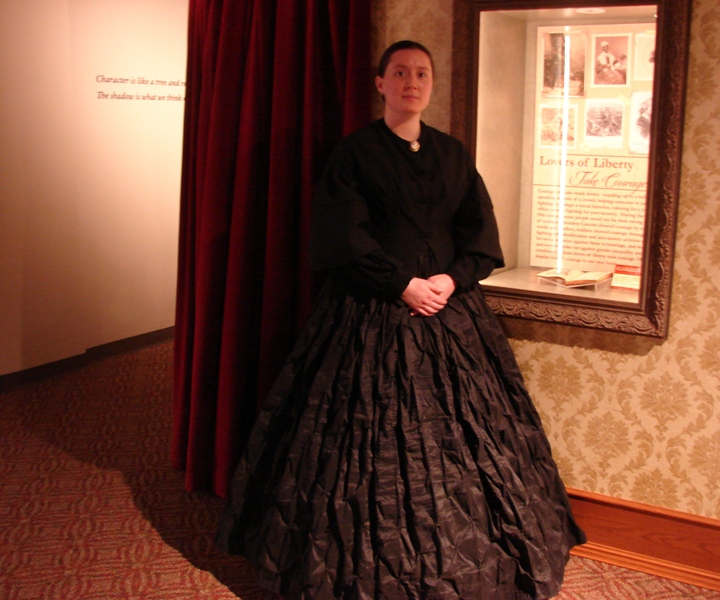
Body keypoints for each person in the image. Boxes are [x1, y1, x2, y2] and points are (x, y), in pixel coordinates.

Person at [215, 40, 586, 600]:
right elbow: (342, 237)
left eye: (422, 74)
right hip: (369, 311)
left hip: (450, 312)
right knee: (362, 442)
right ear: (380, 82)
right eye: (400, 72)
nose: (412, 82)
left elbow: (480, 234)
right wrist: (401, 284)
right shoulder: (354, 153)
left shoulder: (453, 154)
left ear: (431, 84)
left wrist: (450, 280)